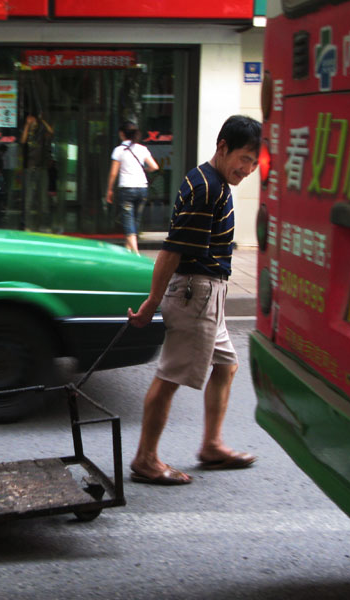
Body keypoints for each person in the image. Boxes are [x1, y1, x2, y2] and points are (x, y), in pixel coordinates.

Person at [127, 114, 261, 485]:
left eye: (254, 163)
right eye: (244, 159)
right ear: (223, 148)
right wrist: (152, 303)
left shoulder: (205, 177)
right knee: (170, 376)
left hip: (208, 295)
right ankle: (145, 459)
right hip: (195, 294)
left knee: (227, 366)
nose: (248, 169)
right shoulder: (209, 189)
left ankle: (212, 445)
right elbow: (172, 249)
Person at [106, 121, 159, 255]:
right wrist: (144, 170)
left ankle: (135, 252)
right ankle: (128, 250)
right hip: (142, 188)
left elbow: (113, 173)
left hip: (127, 188)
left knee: (128, 220)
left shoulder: (119, 150)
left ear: (122, 134)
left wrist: (109, 190)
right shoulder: (142, 149)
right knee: (135, 219)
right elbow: (154, 167)